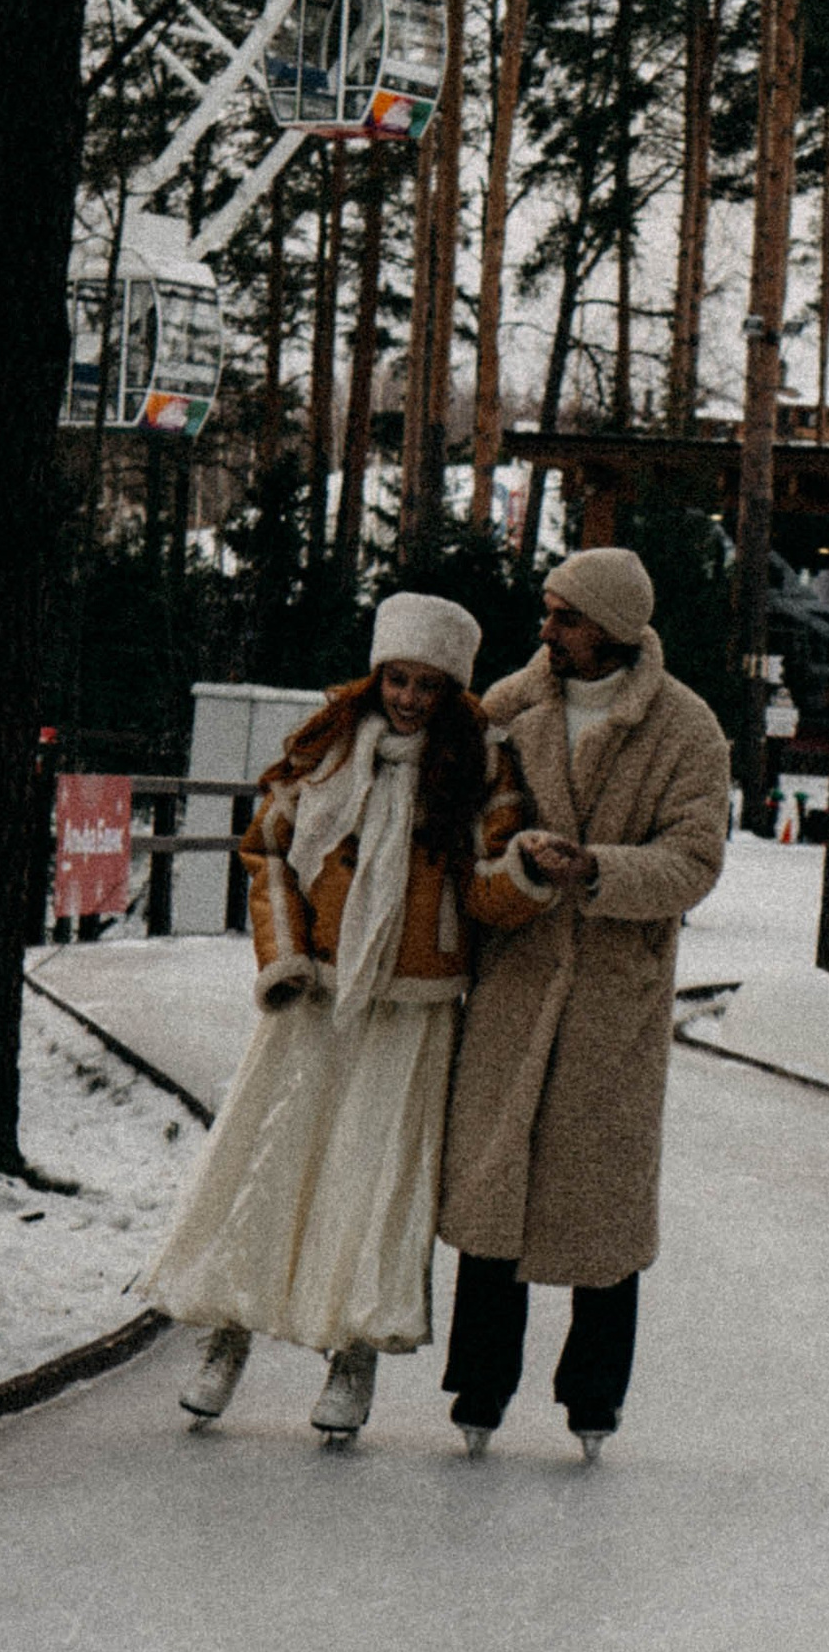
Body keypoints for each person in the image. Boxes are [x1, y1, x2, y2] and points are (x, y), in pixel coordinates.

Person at [148, 592, 547, 1441]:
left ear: (453, 691)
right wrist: (284, 956)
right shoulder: (325, 749)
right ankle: (226, 1335)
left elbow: (485, 890)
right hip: (316, 992)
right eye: (397, 679)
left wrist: (528, 873)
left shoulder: (480, 767)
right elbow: (268, 852)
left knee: (377, 1181)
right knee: (266, 1162)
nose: (409, 698)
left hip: (414, 1006)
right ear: (376, 675)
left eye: (429, 685)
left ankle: (353, 1354)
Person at [438, 545, 728, 1457]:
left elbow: (695, 859)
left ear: (611, 627)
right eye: (548, 610)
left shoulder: (686, 730)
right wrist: (516, 864)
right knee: (494, 1192)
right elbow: (458, 818)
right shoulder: (508, 708)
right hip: (515, 980)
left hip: (613, 1000)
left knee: (602, 1208)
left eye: (565, 616)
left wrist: (599, 868)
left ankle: (594, 1399)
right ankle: (479, 1388)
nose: (547, 629)